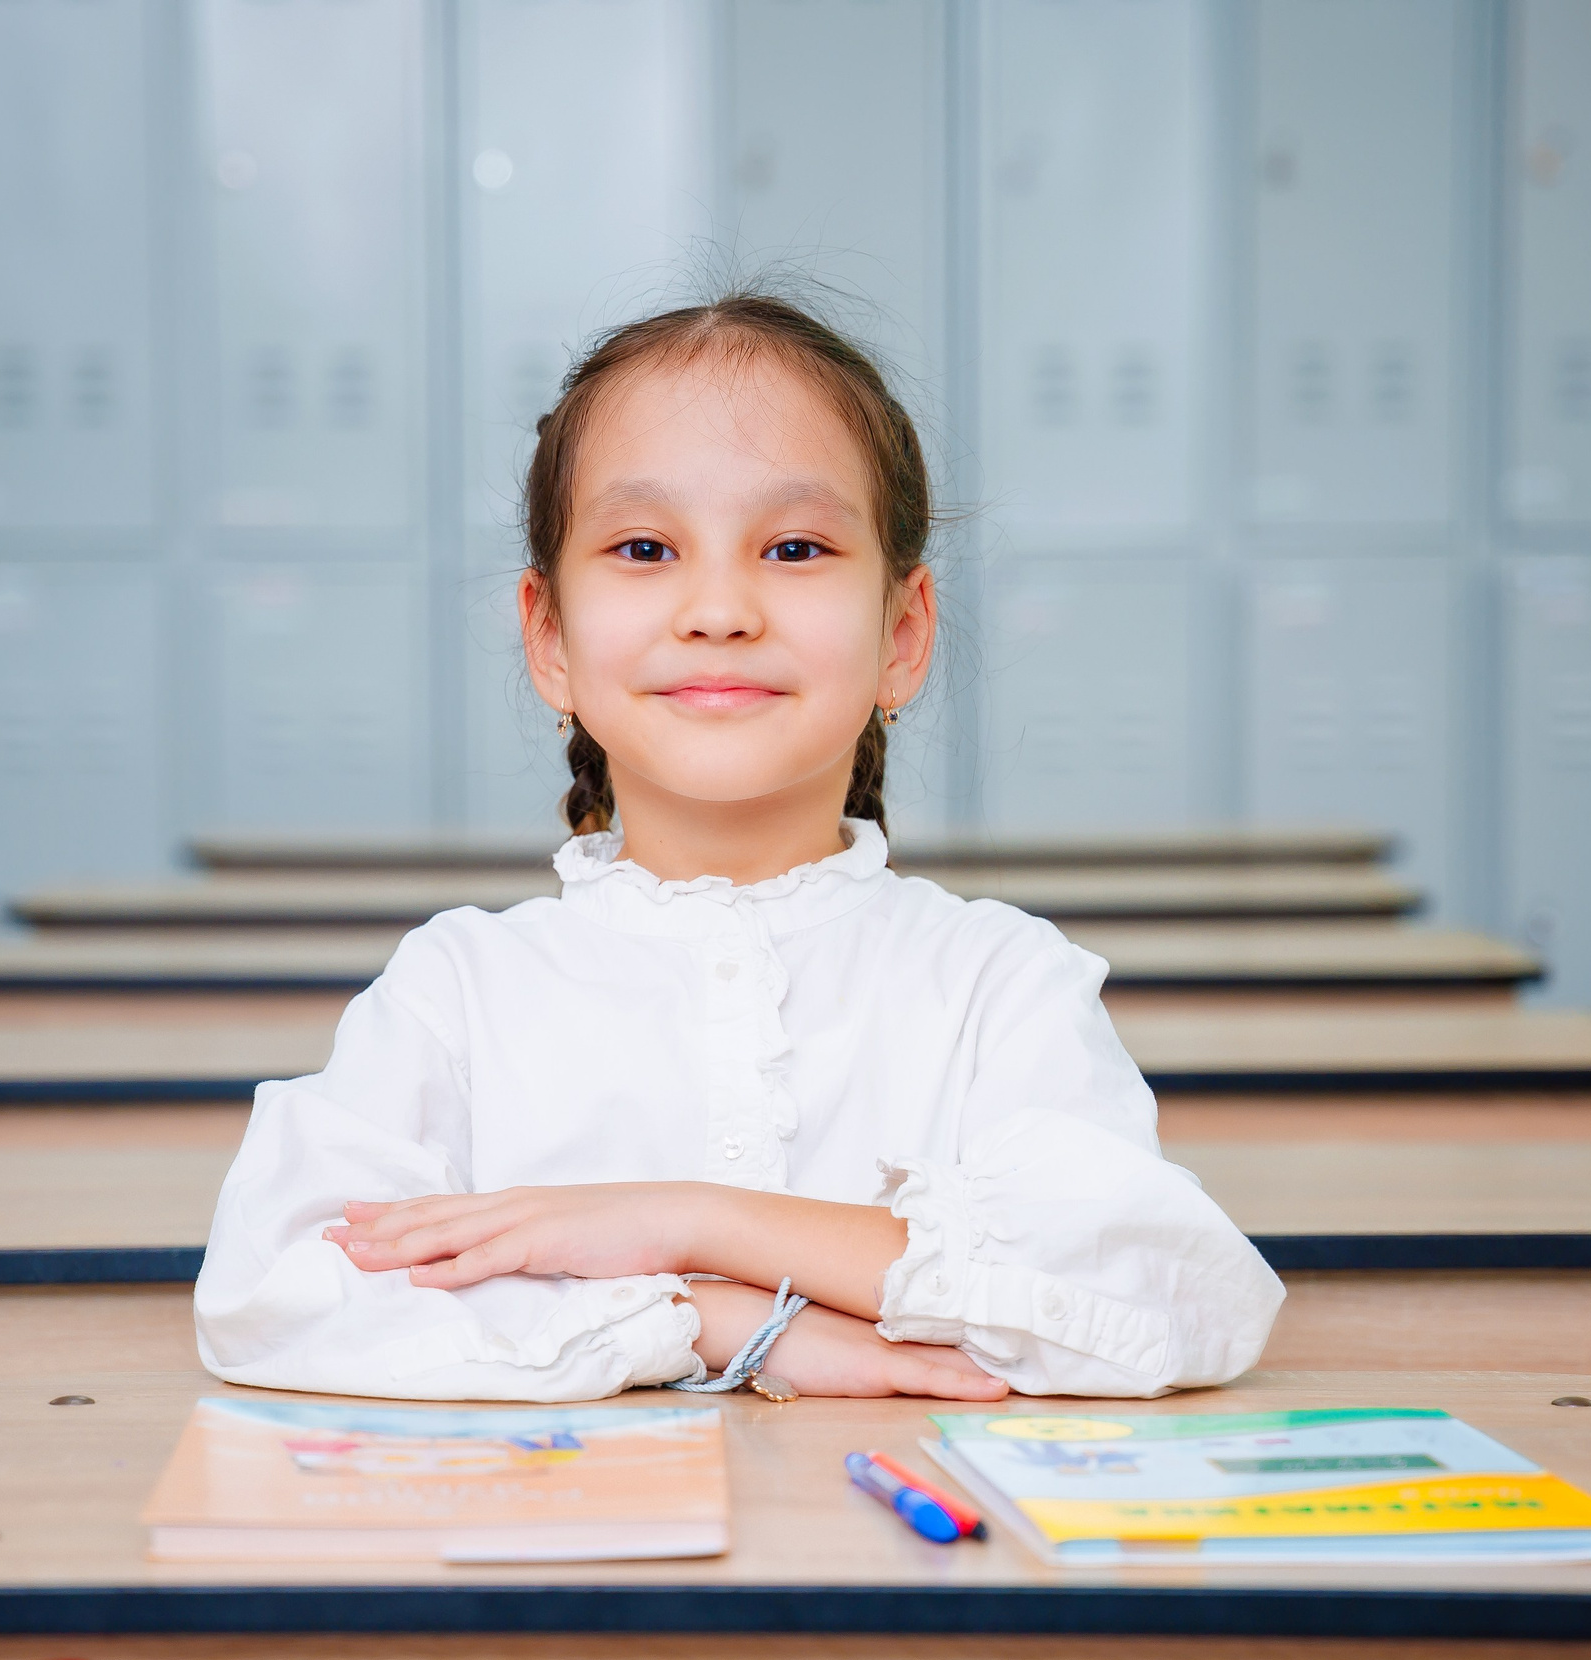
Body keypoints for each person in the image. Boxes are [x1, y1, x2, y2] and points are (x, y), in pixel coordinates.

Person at [195, 292, 1282, 1403]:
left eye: (795, 546)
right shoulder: (459, 990)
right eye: (645, 547)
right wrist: (708, 1316)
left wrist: (685, 1218)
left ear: (901, 636)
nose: (718, 609)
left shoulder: (997, 982)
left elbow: (1162, 1301)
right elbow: (275, 1295)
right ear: (550, 638)